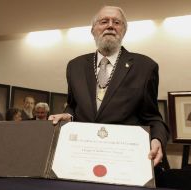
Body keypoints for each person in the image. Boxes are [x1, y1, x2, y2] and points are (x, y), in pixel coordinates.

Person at [49, 6, 169, 167]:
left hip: (124, 160)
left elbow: (152, 117)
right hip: (82, 157)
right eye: (104, 21)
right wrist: (68, 116)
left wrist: (157, 139)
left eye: (117, 22)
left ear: (124, 30)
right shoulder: (75, 66)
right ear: (93, 30)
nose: (110, 26)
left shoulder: (145, 67)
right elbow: (73, 106)